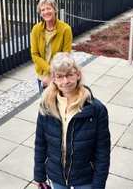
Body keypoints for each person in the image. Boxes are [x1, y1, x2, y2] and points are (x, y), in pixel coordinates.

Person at [34, 52, 111, 189]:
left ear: (78, 74)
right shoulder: (47, 106)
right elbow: (40, 143)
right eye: (60, 76)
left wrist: (99, 184)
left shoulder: (96, 109)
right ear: (54, 79)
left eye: (70, 74)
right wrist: (39, 174)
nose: (65, 81)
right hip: (56, 176)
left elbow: (102, 151)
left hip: (85, 178)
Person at [31, 0, 73, 94]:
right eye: (43, 10)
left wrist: (52, 75)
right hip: (42, 75)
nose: (46, 12)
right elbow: (34, 54)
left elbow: (66, 56)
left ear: (55, 9)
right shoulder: (36, 29)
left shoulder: (65, 29)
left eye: (49, 8)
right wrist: (49, 72)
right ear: (40, 13)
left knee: (60, 105)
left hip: (60, 74)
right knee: (46, 105)